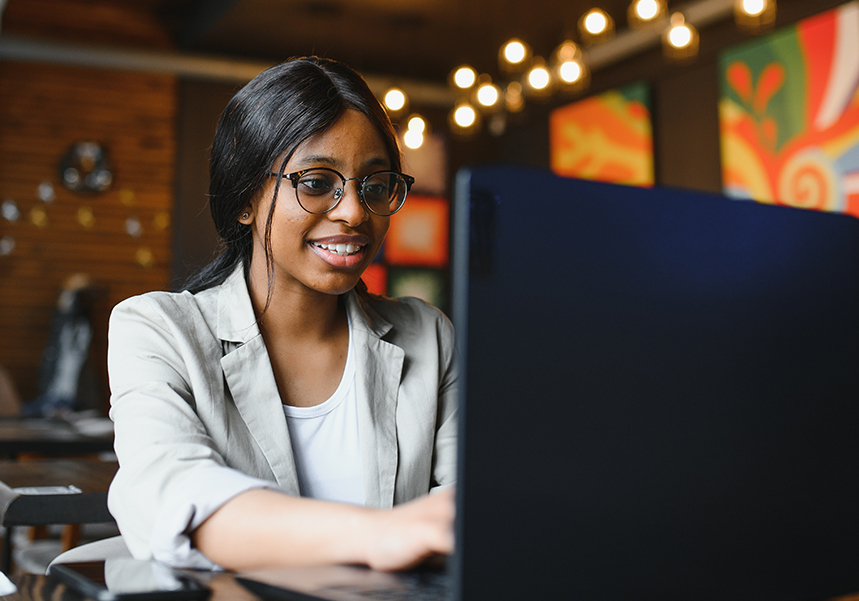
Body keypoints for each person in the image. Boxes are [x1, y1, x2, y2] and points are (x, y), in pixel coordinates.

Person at [106, 56, 457, 571]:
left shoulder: (427, 334)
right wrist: (380, 535)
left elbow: (475, 506)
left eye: (375, 185)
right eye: (316, 182)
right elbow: (171, 493)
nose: (354, 212)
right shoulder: (157, 330)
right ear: (245, 196)